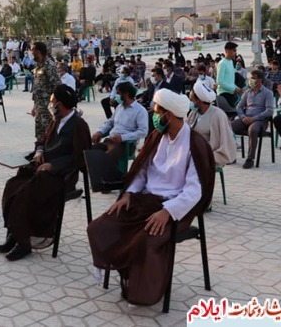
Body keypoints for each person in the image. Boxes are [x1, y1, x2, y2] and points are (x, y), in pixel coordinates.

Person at [87, 88, 215, 306]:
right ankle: (127, 275)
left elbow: (195, 191)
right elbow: (142, 172)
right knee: (100, 227)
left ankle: (143, 289)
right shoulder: (156, 137)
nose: (154, 116)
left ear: (169, 115)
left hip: (174, 208)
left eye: (157, 112)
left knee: (144, 241)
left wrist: (167, 212)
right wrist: (128, 193)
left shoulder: (195, 144)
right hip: (144, 201)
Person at [0, 85, 91, 261]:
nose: (50, 104)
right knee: (13, 186)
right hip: (43, 169)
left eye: (52, 101)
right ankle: (14, 234)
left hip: (62, 175)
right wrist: (39, 152)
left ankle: (24, 243)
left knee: (26, 194)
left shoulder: (79, 125)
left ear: (60, 104)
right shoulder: (57, 120)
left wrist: (53, 166)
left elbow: (80, 157)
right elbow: (42, 140)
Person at [91, 82, 148, 184]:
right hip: (110, 140)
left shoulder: (140, 111)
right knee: (90, 152)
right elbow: (110, 123)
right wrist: (100, 132)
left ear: (126, 94)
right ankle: (104, 179)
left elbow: (143, 131)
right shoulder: (119, 107)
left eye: (119, 93)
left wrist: (123, 137)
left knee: (105, 157)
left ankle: (115, 180)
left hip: (125, 144)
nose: (116, 96)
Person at [187, 79, 236, 167]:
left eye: (192, 100)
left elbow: (219, 142)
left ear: (199, 100)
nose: (190, 103)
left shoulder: (217, 115)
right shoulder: (193, 113)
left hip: (208, 154)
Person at [231, 70, 274, 168]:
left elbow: (270, 110)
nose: (251, 80)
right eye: (250, 78)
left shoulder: (267, 93)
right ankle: (231, 155)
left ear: (260, 80)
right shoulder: (248, 92)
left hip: (259, 120)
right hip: (246, 118)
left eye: (253, 78)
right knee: (228, 127)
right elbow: (239, 107)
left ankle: (250, 158)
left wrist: (254, 118)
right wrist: (243, 117)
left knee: (253, 130)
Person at [30, 42, 61, 140]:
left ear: (38, 52)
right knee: (39, 132)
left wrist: (53, 105)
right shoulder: (38, 65)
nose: (31, 53)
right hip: (39, 105)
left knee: (49, 131)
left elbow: (57, 86)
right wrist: (35, 106)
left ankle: (50, 148)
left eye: (33, 50)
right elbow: (37, 87)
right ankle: (40, 147)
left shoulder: (49, 66)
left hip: (47, 106)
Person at [217, 42, 244, 116]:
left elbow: (230, 81)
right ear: (227, 51)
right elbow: (220, 82)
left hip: (231, 93)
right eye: (234, 50)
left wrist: (238, 89)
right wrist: (234, 89)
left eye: (235, 50)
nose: (235, 53)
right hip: (224, 94)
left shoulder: (231, 62)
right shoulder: (222, 63)